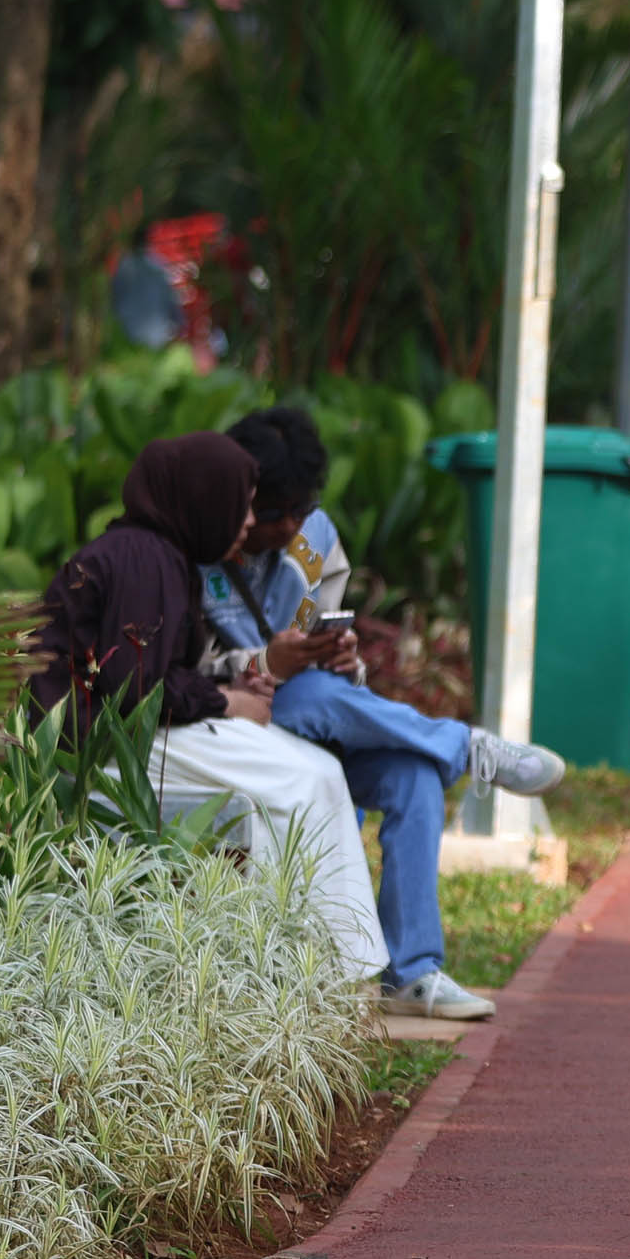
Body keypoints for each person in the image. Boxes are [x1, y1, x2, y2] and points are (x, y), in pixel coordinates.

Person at [202, 405, 561, 1022]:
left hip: (311, 714)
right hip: (229, 725)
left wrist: (345, 663)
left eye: (301, 512)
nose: (291, 527)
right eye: (276, 514)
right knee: (315, 696)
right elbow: (177, 675)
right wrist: (270, 661)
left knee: (412, 776)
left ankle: (411, 972)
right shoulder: (197, 542)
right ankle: (464, 746)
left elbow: (324, 642)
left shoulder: (313, 540)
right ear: (241, 494)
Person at [30, 433, 392, 992]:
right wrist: (227, 701)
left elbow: (144, 673)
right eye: (241, 502)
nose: (249, 521)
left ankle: (315, 966)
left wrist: (222, 684)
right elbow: (135, 690)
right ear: (203, 497)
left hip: (126, 735)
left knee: (305, 778)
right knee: (304, 778)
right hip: (99, 749)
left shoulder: (157, 555)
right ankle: (325, 969)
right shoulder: (144, 559)